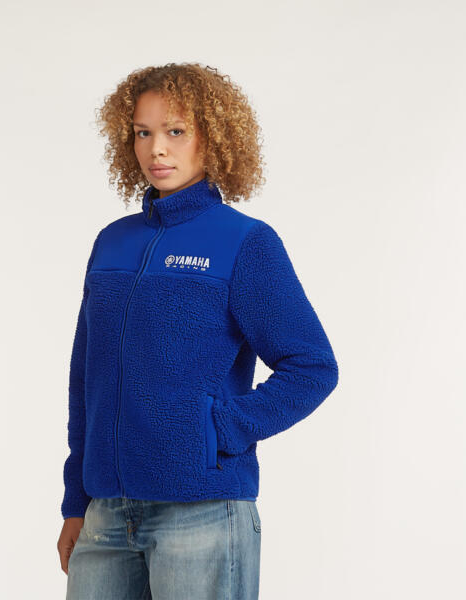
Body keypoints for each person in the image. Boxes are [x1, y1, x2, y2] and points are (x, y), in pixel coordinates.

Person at [56, 62, 339, 599]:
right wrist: (76, 503)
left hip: (202, 512)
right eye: (143, 132)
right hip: (106, 515)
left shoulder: (244, 243)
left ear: (214, 136)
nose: (157, 149)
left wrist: (219, 429)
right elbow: (84, 382)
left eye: (176, 131)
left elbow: (313, 367)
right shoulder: (112, 243)